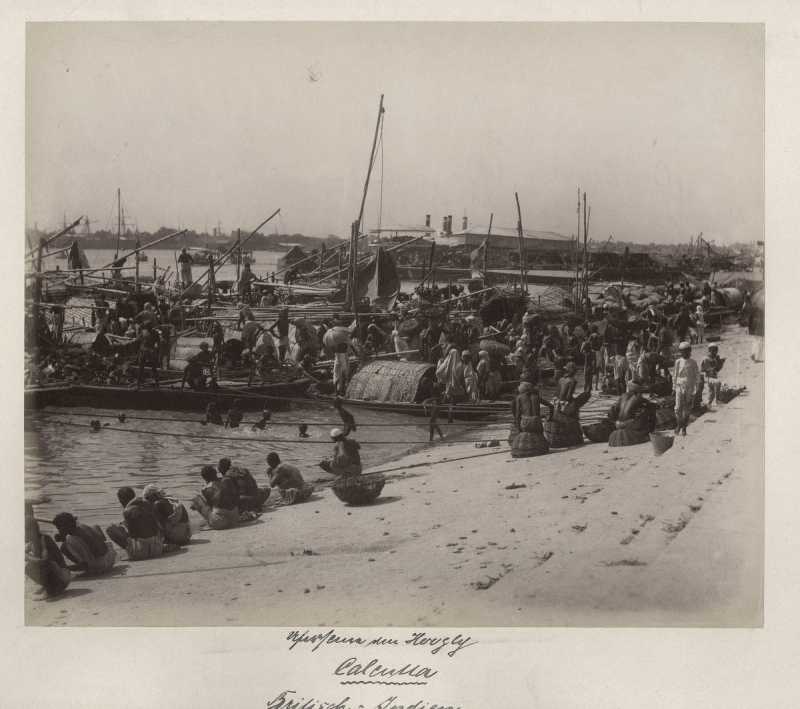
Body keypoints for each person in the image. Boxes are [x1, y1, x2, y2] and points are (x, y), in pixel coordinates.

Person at [106, 487, 171, 560]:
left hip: (141, 552)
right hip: (157, 548)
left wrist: (123, 529)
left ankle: (131, 553)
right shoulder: (148, 504)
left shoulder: (127, 511)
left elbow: (133, 535)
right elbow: (157, 526)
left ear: (121, 500)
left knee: (110, 529)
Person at [25, 501, 72, 597]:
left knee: (32, 566)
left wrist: (26, 556)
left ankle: (51, 589)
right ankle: (48, 585)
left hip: (63, 576)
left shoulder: (44, 539)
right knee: (31, 565)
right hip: (58, 574)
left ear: (32, 530)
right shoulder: (33, 542)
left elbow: (44, 561)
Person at [606, 381, 657, 447]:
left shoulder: (623, 396)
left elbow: (611, 412)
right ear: (638, 391)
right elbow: (652, 408)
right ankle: (647, 432)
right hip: (629, 426)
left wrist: (616, 422)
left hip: (618, 425)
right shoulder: (639, 398)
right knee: (648, 411)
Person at [190, 465, 242, 530]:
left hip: (221, 523)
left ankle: (209, 523)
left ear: (204, 478)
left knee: (197, 500)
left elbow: (210, 506)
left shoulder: (206, 488)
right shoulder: (226, 481)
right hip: (235, 518)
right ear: (216, 473)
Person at [509, 381, 552, 457]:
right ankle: (542, 447)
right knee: (539, 433)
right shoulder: (536, 397)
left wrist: (518, 428)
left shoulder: (519, 397)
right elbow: (551, 406)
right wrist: (549, 417)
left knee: (521, 432)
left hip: (526, 423)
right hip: (537, 422)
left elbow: (518, 414)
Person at [673, 341, 700, 436]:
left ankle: (684, 427)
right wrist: (673, 388)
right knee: (677, 408)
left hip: (689, 387)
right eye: (682, 351)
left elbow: (697, 376)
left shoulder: (693, 362)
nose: (684, 353)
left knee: (687, 408)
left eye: (686, 351)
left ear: (690, 351)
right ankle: (679, 424)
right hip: (679, 387)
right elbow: (675, 375)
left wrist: (697, 388)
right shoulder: (678, 362)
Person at [135, 322, 160, 389]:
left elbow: (138, 340)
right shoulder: (153, 332)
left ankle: (139, 383)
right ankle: (140, 383)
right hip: (148, 351)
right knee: (149, 367)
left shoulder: (145, 332)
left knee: (143, 367)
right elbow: (158, 342)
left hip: (146, 351)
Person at [700, 344, 725, 410]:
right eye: (713, 350)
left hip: (713, 377)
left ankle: (708, 405)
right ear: (709, 350)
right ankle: (717, 400)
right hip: (707, 377)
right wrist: (715, 366)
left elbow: (717, 370)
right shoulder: (706, 359)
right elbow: (705, 370)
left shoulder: (715, 358)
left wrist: (721, 363)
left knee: (712, 394)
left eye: (716, 350)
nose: (715, 352)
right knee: (718, 383)